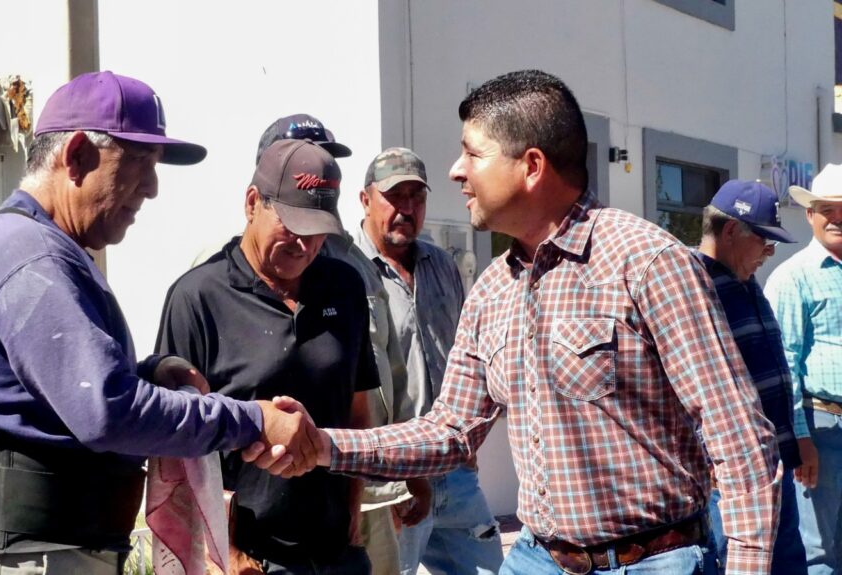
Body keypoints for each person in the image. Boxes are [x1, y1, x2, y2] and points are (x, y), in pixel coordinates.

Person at [291, 70, 781, 575]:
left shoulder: (647, 262)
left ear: (531, 166)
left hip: (652, 561)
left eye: (472, 153)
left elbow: (738, 439)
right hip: (537, 557)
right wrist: (323, 445)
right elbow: (450, 432)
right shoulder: (493, 289)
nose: (456, 172)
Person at [0, 71, 318, 575]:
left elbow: (59, 395)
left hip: (48, 553)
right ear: (76, 156)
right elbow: (107, 411)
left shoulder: (36, 247)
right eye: (140, 162)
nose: (152, 188)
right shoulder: (30, 255)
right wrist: (252, 421)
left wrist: (149, 373)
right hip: (33, 558)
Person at [156, 139, 379, 574]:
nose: (305, 244)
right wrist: (223, 552)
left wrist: (353, 511)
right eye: (292, 225)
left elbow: (357, 408)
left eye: (318, 231)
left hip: (335, 551)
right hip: (248, 558)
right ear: (252, 203)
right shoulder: (198, 297)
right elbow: (173, 445)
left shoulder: (345, 286)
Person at [254, 114, 422, 575]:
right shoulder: (223, 272)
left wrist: (401, 474)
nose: (318, 171)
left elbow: (383, 374)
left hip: (361, 487)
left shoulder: (352, 266)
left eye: (325, 160)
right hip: (267, 518)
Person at [357, 147, 503, 575]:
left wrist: (471, 436)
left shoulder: (441, 265)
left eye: (416, 197)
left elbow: (468, 353)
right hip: (391, 476)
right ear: (365, 200)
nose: (406, 209)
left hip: (453, 470)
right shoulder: (345, 270)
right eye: (394, 196)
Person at [693, 180, 806, 575]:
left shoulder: (744, 279)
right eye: (764, 241)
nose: (769, 252)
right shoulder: (694, 286)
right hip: (730, 478)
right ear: (730, 231)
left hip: (774, 465)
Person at [765, 164, 842, 575]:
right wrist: (800, 439)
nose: (837, 219)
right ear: (810, 215)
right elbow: (784, 364)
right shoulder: (793, 278)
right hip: (821, 427)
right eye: (827, 210)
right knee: (819, 552)